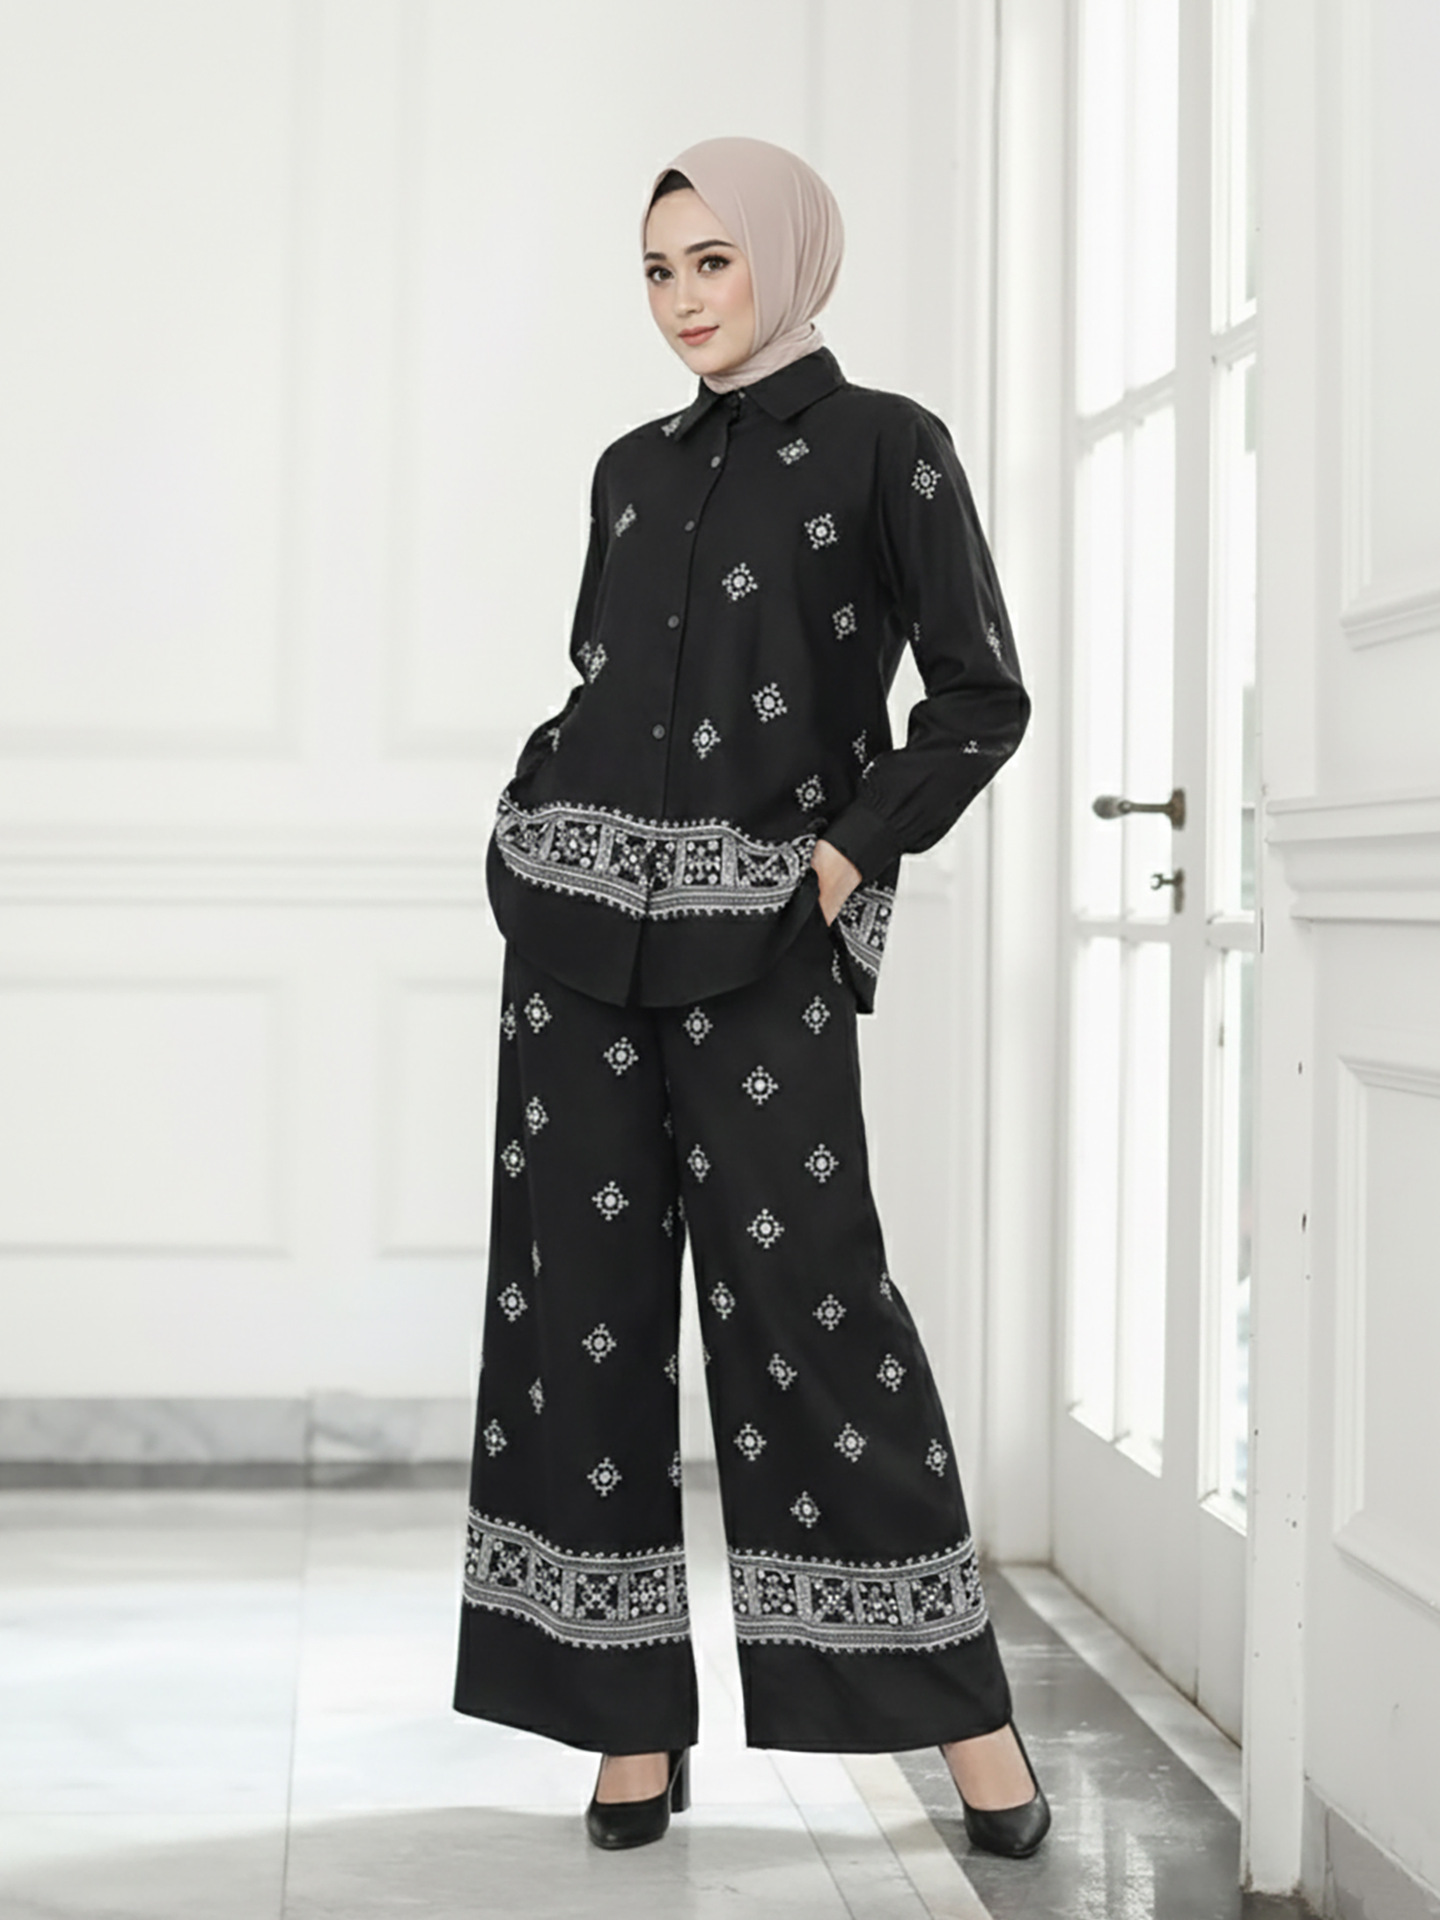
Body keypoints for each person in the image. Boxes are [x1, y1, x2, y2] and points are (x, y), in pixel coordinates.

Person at [452, 134, 1049, 1860]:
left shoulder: (888, 448)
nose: (683, 299)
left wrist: (843, 862)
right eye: (658, 270)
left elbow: (980, 700)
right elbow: (597, 679)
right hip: (574, 950)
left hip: (764, 951)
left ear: (785, 255)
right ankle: (626, 1725)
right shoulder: (628, 471)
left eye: (711, 261)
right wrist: (529, 812)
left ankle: (970, 1728)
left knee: (815, 1316)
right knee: (579, 1320)